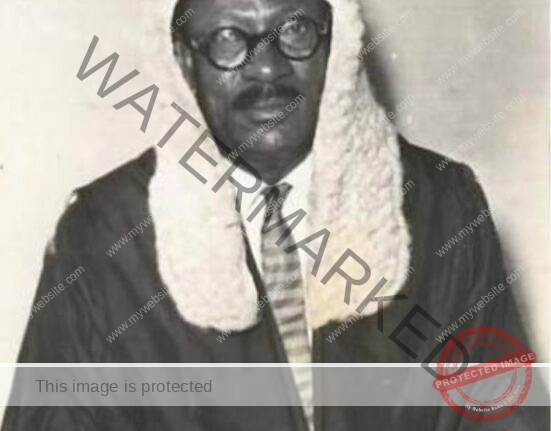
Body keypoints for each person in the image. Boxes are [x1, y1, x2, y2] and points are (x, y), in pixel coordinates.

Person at [3, 0, 547, 429]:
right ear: (183, 59)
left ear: (337, 43)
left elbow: (503, 413)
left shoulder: (443, 206)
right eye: (227, 39)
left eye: (295, 30)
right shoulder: (101, 235)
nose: (266, 67)